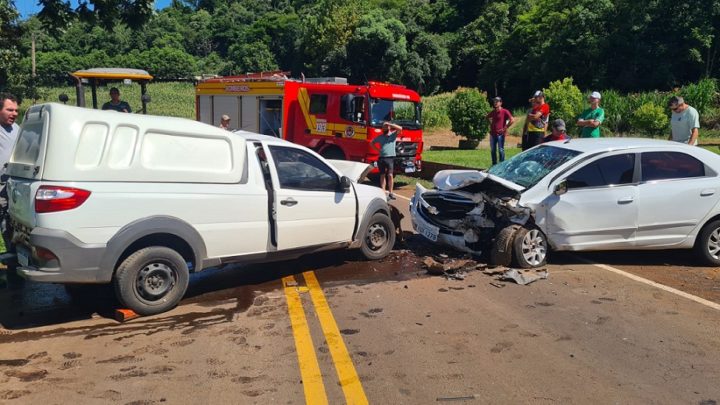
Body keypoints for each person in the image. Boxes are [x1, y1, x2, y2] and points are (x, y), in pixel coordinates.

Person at [0, 93, 20, 287]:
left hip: (10, 190)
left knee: (9, 229)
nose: (14, 113)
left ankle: (13, 269)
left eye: (16, 110)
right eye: (9, 109)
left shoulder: (16, 128)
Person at [371, 121, 402, 201]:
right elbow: (372, 143)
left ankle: (391, 193)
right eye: (384, 126)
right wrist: (378, 150)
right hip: (382, 158)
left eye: (386, 126)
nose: (385, 127)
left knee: (390, 175)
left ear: (389, 127)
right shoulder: (380, 137)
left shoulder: (393, 135)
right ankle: (383, 193)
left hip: (390, 158)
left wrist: (390, 124)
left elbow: (400, 128)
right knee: (382, 175)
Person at [485, 96, 514, 165]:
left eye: (497, 101)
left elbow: (512, 120)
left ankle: (501, 164)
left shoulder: (505, 111)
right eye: (494, 101)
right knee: (493, 150)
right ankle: (494, 164)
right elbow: (486, 117)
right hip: (493, 134)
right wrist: (490, 124)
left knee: (501, 150)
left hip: (500, 134)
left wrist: (505, 128)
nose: (495, 103)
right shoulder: (493, 112)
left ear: (501, 103)